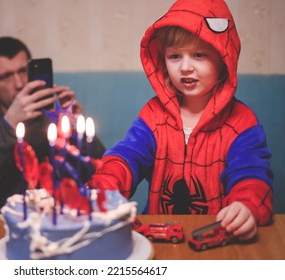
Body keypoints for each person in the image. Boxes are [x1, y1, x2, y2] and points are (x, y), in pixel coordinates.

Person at [89, 0, 273, 241]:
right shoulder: (153, 115)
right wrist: (102, 186)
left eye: (199, 55)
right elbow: (127, 156)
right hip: (158, 238)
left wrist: (247, 205)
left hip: (218, 238)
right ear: (163, 60)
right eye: (175, 56)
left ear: (223, 59)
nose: (186, 67)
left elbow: (251, 173)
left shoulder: (241, 122)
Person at [0, 37, 105, 213]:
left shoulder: (55, 124)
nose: (19, 84)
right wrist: (9, 125)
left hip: (45, 219)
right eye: (5, 77)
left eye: (23, 71)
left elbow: (103, 176)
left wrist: (76, 127)